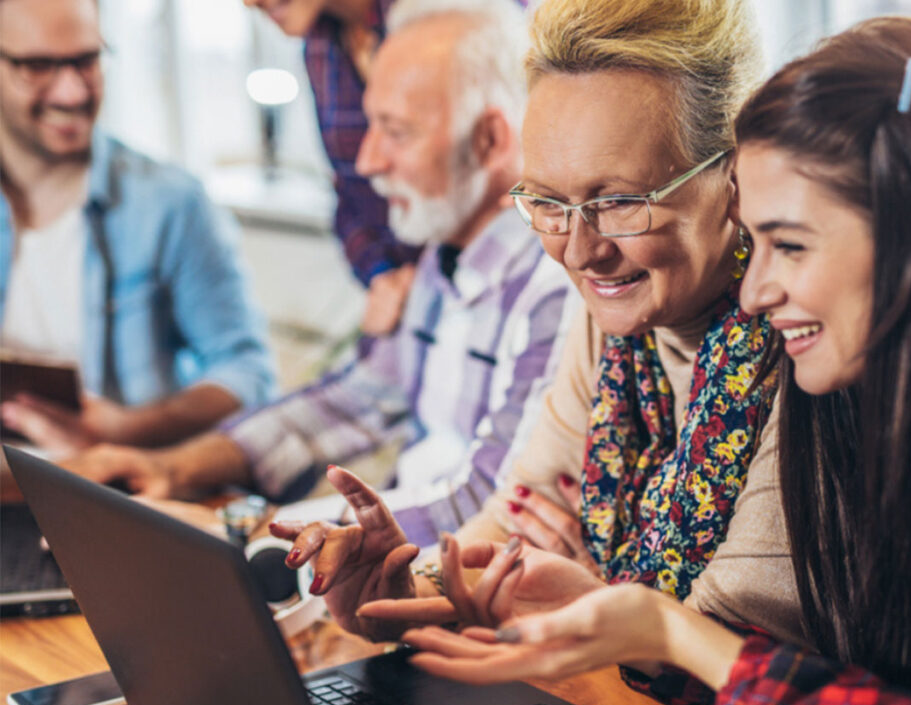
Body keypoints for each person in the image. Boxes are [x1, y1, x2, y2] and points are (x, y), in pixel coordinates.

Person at [396, 17, 911, 705]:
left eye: (788, 244)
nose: (754, 293)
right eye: (549, 203)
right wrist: (648, 633)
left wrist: (669, 633)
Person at [271, 0, 807, 705]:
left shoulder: (806, 338)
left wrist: (580, 609)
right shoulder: (615, 322)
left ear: (734, 172)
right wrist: (401, 587)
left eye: (620, 201)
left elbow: (727, 651)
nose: (579, 252)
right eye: (547, 203)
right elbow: (525, 521)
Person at [67, 0, 576, 548]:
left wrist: (249, 536)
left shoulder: (557, 291)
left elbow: (488, 504)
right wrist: (172, 468)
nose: (367, 162)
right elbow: (352, 402)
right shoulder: (438, 257)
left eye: (396, 131)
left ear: (491, 141)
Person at [0, 0, 275, 454]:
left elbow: (249, 373)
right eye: (38, 66)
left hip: (112, 491)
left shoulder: (170, 203)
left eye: (87, 61)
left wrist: (129, 429)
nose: (71, 93)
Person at [242, 0, 420, 337]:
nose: (248, 3)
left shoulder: (449, 18)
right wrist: (380, 274)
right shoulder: (320, 47)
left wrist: (432, 277)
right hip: (401, 307)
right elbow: (348, 192)